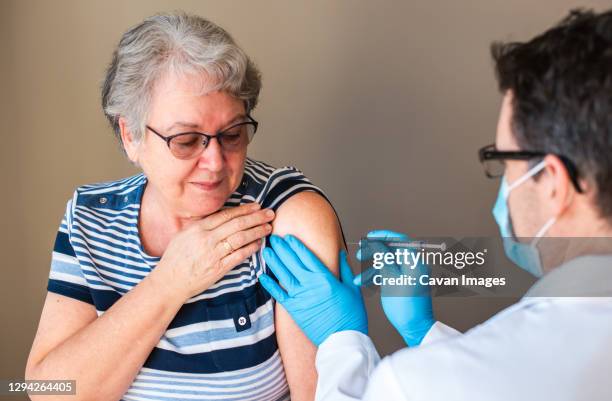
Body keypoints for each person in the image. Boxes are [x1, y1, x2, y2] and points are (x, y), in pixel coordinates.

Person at [259, 9, 612, 401]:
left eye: (505, 162)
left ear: (553, 184)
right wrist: (425, 333)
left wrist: (341, 339)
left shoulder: (416, 383)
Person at [25, 12, 345, 401]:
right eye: (187, 139)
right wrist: (169, 283)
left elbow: (324, 395)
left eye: (232, 134)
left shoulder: (286, 217)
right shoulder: (91, 218)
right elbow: (45, 391)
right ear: (131, 135)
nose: (215, 161)